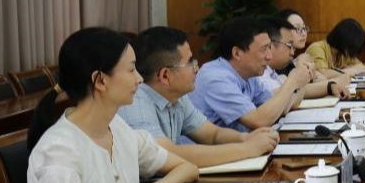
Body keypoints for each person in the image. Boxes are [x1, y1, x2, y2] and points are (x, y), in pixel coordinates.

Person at [17, 28, 205, 183]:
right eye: (131, 69)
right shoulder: (59, 148)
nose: (139, 79)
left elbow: (186, 167)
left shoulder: (118, 127)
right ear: (100, 81)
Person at [118, 26, 279, 168]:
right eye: (190, 62)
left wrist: (246, 138)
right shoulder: (136, 102)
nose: (197, 68)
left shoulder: (178, 97)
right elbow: (168, 154)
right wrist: (247, 149)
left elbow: (212, 135)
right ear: (165, 76)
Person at [190, 17, 312, 131]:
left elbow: (281, 107)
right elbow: (259, 121)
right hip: (211, 147)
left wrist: (299, 82)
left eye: (269, 47)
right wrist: (292, 82)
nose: (269, 56)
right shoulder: (216, 78)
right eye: (264, 49)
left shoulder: (248, 74)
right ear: (237, 53)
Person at [257, 17, 349, 99]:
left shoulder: (272, 71)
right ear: (270, 44)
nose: (303, 33)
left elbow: (295, 93)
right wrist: (294, 83)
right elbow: (281, 101)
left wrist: (329, 86)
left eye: (304, 28)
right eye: (297, 29)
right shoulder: (260, 74)